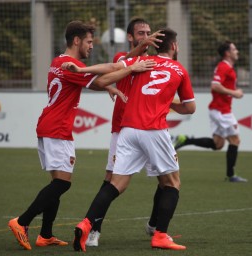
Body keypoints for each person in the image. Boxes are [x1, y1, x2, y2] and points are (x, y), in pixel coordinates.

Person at [7, 20, 156, 251]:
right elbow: (103, 78)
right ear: (76, 41)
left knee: (56, 182)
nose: (91, 46)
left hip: (49, 125)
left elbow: (101, 77)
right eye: (88, 42)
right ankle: (22, 222)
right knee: (61, 184)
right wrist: (129, 70)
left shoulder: (59, 61)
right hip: (58, 129)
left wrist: (109, 84)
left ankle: (45, 234)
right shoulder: (71, 65)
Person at [70, 28, 196, 252]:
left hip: (127, 130)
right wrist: (168, 102)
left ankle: (87, 223)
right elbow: (190, 108)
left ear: (154, 46)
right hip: (153, 130)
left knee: (116, 184)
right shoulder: (179, 69)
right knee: (172, 183)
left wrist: (82, 69)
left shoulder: (139, 61)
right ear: (174, 47)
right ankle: (160, 235)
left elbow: (110, 68)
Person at [84, 17, 165, 247]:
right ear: (130, 37)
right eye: (141, 33)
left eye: (149, 32)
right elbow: (109, 72)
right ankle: (93, 230)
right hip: (123, 129)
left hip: (150, 129)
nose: (147, 36)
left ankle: (154, 225)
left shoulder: (155, 62)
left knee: (166, 180)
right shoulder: (123, 58)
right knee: (111, 180)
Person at [173, 40, 247, 182]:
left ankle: (187, 140)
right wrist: (234, 93)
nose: (237, 51)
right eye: (234, 49)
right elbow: (215, 86)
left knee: (218, 144)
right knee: (235, 140)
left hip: (219, 110)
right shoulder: (223, 67)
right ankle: (231, 175)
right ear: (227, 53)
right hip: (221, 111)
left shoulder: (227, 68)